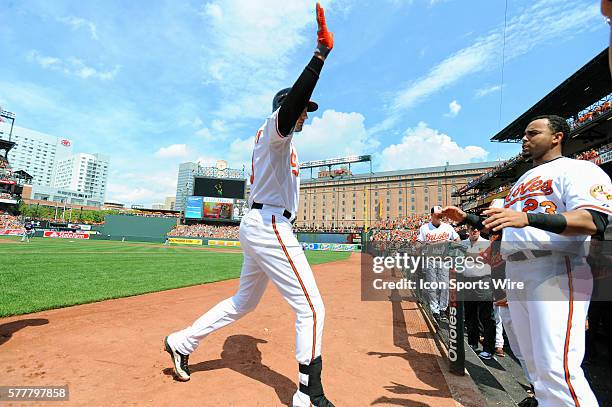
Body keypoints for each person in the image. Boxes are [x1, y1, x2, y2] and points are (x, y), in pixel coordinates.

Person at [163, 4, 335, 407]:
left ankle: (180, 341)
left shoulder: (284, 144)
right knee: (312, 308)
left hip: (264, 223)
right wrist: (319, 57)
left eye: (307, 110)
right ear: (284, 108)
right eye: (302, 108)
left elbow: (295, 111)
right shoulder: (274, 131)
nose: (306, 114)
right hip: (270, 223)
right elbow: (291, 106)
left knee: (244, 302)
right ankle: (309, 396)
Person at [442, 115, 610, 407]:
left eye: (533, 133)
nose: (525, 138)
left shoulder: (579, 169)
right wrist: (467, 218)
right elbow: (500, 226)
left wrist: (527, 217)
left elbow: (592, 220)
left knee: (557, 369)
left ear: (557, 136)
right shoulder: (520, 181)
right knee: (533, 365)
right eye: (524, 134)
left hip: (556, 266)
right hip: (517, 268)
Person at [416, 206, 460, 322]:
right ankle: (435, 310)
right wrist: (427, 245)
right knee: (432, 286)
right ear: (431, 215)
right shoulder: (425, 228)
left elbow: (458, 241)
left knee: (445, 286)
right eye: (437, 215)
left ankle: (442, 308)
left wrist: (450, 243)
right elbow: (417, 245)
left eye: (441, 215)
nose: (440, 217)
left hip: (444, 260)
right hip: (430, 260)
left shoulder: (448, 227)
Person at [461, 226, 496, 360]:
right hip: (467, 280)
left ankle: (488, 349)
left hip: (484, 280)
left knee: (486, 316)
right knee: (470, 315)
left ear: (480, 230)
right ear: (468, 230)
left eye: (476, 229)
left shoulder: (487, 243)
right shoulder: (462, 244)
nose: (474, 231)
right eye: (471, 229)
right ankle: (472, 343)